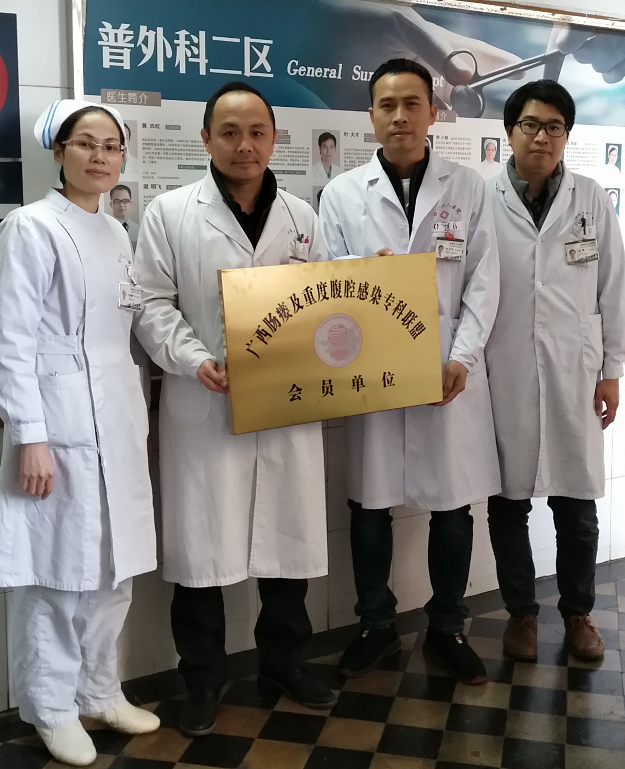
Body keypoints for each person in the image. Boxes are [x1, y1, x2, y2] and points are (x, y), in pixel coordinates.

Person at [132, 81, 334, 738]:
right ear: (206, 139)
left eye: (256, 132)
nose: (244, 145)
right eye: (229, 132)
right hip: (205, 402)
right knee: (201, 553)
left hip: (284, 405)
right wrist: (195, 360)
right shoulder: (170, 213)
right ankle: (202, 680)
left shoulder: (303, 218)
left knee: (287, 546)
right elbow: (150, 303)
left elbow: (329, 301)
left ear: (273, 139)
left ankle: (284, 662)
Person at [319, 59, 500, 685]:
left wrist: (462, 357)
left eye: (412, 104)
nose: (399, 116)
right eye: (387, 105)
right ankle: (375, 625)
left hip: (446, 366)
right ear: (370, 115)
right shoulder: (343, 194)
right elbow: (323, 284)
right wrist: (364, 273)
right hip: (370, 370)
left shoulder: (468, 187)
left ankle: (448, 626)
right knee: (369, 503)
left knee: (452, 504)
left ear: (433, 113)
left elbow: (484, 281)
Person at [0, 99, 159, 766]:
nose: (100, 156)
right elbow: (12, 341)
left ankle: (99, 690)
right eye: (86, 143)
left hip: (116, 420)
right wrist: (30, 435)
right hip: (57, 422)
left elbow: (132, 324)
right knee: (57, 573)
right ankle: (51, 706)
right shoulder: (30, 227)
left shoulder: (117, 232)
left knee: (113, 566)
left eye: (111, 145)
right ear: (59, 151)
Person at [485, 80, 625, 662]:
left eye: (554, 127)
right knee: (507, 503)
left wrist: (612, 370)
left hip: (576, 369)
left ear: (566, 135)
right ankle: (521, 613)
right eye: (530, 125)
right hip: (504, 369)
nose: (541, 137)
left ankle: (578, 614)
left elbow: (613, 288)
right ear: (509, 131)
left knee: (577, 506)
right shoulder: (483, 198)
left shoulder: (590, 198)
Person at [109, 183, 140, 250]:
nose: (122, 205)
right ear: (111, 204)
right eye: (117, 201)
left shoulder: (138, 229)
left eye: (125, 201)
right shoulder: (105, 227)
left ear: (130, 203)